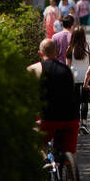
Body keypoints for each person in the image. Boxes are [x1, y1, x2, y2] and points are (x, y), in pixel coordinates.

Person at [28, 38, 80, 170]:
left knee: (34, 137)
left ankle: (45, 158)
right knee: (70, 154)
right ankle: (71, 180)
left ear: (40, 54)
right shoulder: (68, 71)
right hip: (71, 119)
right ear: (57, 52)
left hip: (48, 119)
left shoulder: (34, 69)